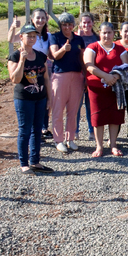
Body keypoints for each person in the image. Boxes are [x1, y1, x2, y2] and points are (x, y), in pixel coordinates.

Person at [7, 24, 51, 173]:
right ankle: (24, 163)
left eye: (34, 36)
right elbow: (15, 79)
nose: (32, 38)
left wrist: (49, 98)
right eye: (28, 35)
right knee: (25, 130)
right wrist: (22, 61)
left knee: (37, 130)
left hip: (40, 97)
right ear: (21, 37)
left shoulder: (40, 56)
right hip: (24, 99)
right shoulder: (14, 56)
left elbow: (46, 78)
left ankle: (35, 161)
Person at [83, 22, 127, 158]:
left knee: (114, 117)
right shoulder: (92, 47)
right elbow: (89, 66)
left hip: (115, 89)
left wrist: (114, 77)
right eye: (104, 32)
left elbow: (126, 66)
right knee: (98, 117)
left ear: (114, 34)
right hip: (97, 89)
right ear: (99, 33)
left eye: (109, 32)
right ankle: (99, 146)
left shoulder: (120, 49)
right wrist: (106, 76)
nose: (106, 35)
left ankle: (113, 144)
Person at [49, 13, 86, 153]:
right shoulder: (55, 37)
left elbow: (82, 59)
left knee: (73, 109)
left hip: (77, 76)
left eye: (69, 24)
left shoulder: (78, 39)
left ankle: (70, 138)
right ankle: (58, 140)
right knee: (58, 109)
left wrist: (86, 76)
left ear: (73, 26)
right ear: (60, 25)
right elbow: (54, 55)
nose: (67, 27)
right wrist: (63, 49)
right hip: (60, 76)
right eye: (64, 24)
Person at [76, 13, 99, 140]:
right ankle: (75, 131)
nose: (86, 25)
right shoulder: (75, 38)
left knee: (91, 104)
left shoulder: (97, 38)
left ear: (93, 23)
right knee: (77, 104)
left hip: (92, 75)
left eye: (88, 22)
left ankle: (92, 130)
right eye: (84, 22)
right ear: (80, 24)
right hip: (78, 74)